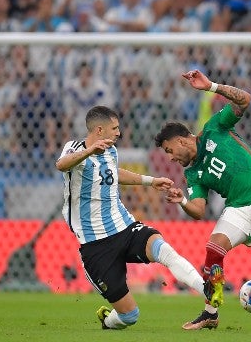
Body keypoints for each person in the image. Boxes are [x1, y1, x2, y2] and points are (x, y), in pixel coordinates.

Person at [154, 70, 251, 332]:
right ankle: (210, 312)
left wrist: (211, 86)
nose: (170, 158)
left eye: (169, 150)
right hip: (238, 207)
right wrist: (182, 201)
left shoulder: (214, 129)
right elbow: (199, 210)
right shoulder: (192, 172)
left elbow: (244, 99)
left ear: (180, 140)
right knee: (213, 250)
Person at [55, 105, 223, 331]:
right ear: (99, 129)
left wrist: (150, 181)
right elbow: (61, 165)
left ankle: (206, 289)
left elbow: (115, 174)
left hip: (124, 227)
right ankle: (108, 320)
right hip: (95, 244)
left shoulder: (111, 151)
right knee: (130, 316)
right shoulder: (74, 148)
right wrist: (89, 151)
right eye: (114, 128)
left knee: (163, 250)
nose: (118, 133)